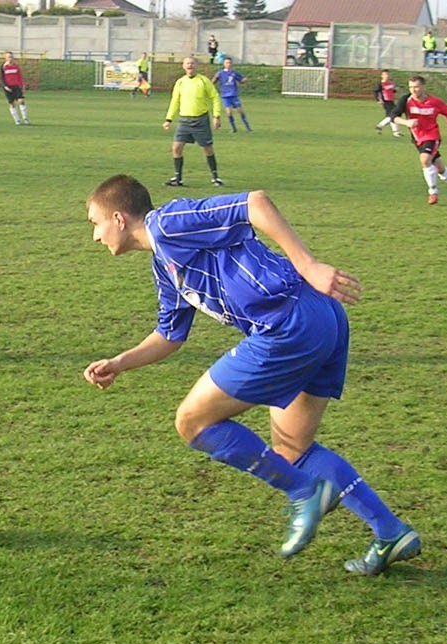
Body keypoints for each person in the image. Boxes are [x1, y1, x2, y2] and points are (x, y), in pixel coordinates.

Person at [83, 174, 422, 575]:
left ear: (119, 218)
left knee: (192, 421)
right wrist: (119, 363)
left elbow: (256, 203)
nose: (94, 236)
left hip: (289, 322)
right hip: (320, 319)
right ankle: (390, 532)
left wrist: (309, 264)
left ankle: (303, 493)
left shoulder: (167, 223)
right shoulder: (164, 264)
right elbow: (170, 336)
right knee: (292, 450)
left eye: (94, 223)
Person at [392, 75, 447, 206]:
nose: (414, 90)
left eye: (416, 87)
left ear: (423, 87)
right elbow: (393, 117)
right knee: (440, 168)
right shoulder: (406, 100)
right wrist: (406, 122)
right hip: (418, 139)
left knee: (425, 160)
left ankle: (433, 192)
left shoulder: (434, 101)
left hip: (432, 136)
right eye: (411, 87)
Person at [162, 57, 223, 187]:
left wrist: (216, 116)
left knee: (207, 149)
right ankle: (178, 178)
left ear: (197, 66)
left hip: (201, 119)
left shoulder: (203, 81)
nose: (190, 65)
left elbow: (215, 97)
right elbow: (175, 101)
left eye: (192, 63)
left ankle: (215, 177)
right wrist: (168, 119)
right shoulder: (180, 82)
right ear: (183, 66)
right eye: (187, 63)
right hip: (184, 120)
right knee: (176, 148)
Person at [211, 56, 251, 133]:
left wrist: (244, 80)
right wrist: (212, 82)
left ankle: (248, 127)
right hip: (225, 96)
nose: (228, 64)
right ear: (224, 64)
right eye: (227, 62)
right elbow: (213, 81)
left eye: (230, 63)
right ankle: (233, 128)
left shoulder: (234, 73)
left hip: (234, 95)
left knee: (240, 111)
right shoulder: (220, 73)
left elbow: (241, 80)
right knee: (229, 112)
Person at [0, 51, 30, 125]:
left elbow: (20, 77)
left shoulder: (16, 66)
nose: (11, 58)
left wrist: (22, 85)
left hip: (16, 86)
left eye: (12, 57)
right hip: (8, 87)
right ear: (5, 58)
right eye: (9, 57)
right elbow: (2, 78)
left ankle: (25, 118)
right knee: (12, 103)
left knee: (21, 101)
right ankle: (17, 120)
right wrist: (5, 86)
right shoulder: (3, 67)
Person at [373, 69, 402, 137]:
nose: (387, 76)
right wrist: (378, 100)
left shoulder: (390, 83)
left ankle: (381, 127)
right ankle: (395, 132)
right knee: (394, 115)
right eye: (385, 74)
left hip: (391, 100)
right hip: (385, 101)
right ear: (382, 76)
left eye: (388, 74)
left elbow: (391, 91)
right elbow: (375, 92)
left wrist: (395, 90)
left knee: (392, 115)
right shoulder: (380, 84)